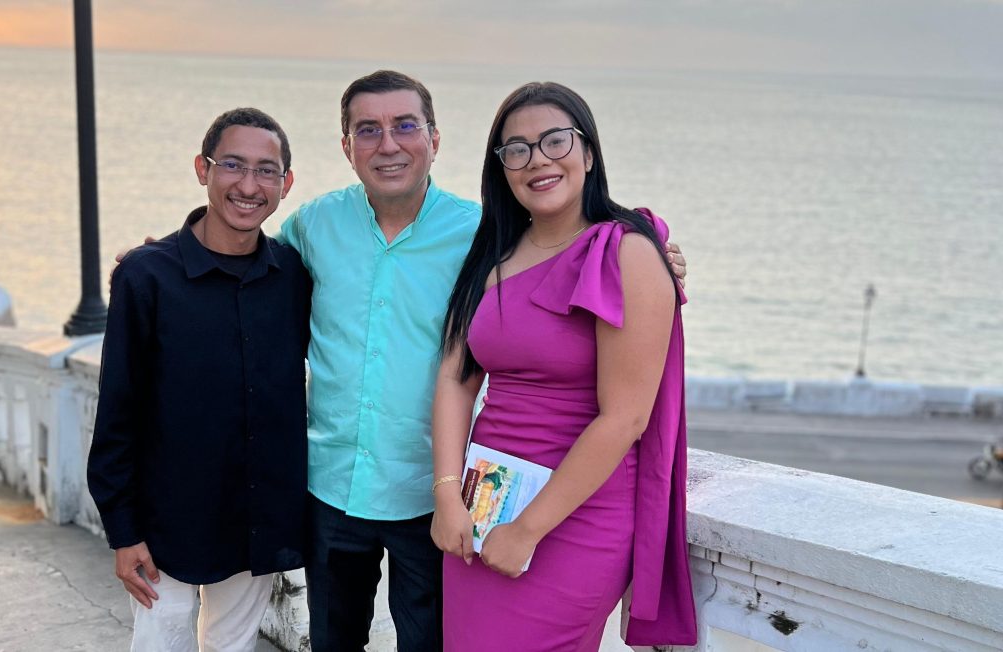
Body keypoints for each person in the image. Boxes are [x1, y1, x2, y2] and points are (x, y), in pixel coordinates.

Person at [118, 71, 687, 651]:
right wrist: (162, 260)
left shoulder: (481, 235)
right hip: (332, 488)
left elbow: (566, 257)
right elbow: (243, 262)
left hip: (434, 496)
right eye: (368, 130)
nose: (388, 144)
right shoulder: (314, 225)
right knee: (332, 643)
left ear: (434, 139)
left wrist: (652, 259)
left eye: (405, 126)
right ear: (347, 147)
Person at [430, 82, 697, 650]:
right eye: (517, 149)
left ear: (589, 153)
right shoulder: (492, 253)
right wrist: (448, 495)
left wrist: (528, 530)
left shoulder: (625, 252)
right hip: (484, 507)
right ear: (501, 167)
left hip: (576, 519)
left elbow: (625, 418)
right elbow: (456, 379)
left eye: (555, 141)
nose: (538, 160)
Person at [87, 107, 311, 652]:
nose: (248, 186)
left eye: (266, 170)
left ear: (285, 184)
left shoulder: (294, 276)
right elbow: (117, 410)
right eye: (232, 164)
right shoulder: (146, 276)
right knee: (161, 643)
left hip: (257, 514)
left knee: (234, 645)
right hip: (165, 518)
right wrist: (123, 531)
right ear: (202, 169)